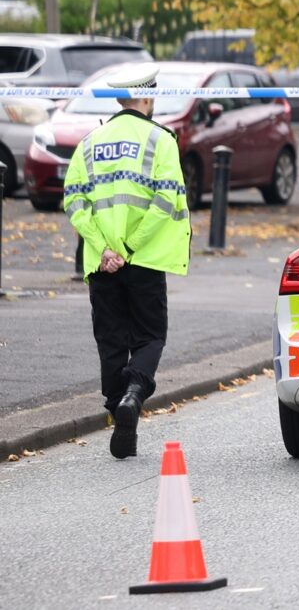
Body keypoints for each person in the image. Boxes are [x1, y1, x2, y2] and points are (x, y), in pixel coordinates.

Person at [63, 64, 191, 459]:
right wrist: (129, 248)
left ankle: (121, 420)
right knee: (151, 337)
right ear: (148, 97)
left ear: (120, 100)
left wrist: (104, 248)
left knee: (111, 341)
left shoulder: (89, 143)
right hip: (145, 260)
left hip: (101, 265)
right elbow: (165, 200)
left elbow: (74, 200)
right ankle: (134, 395)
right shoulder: (161, 140)